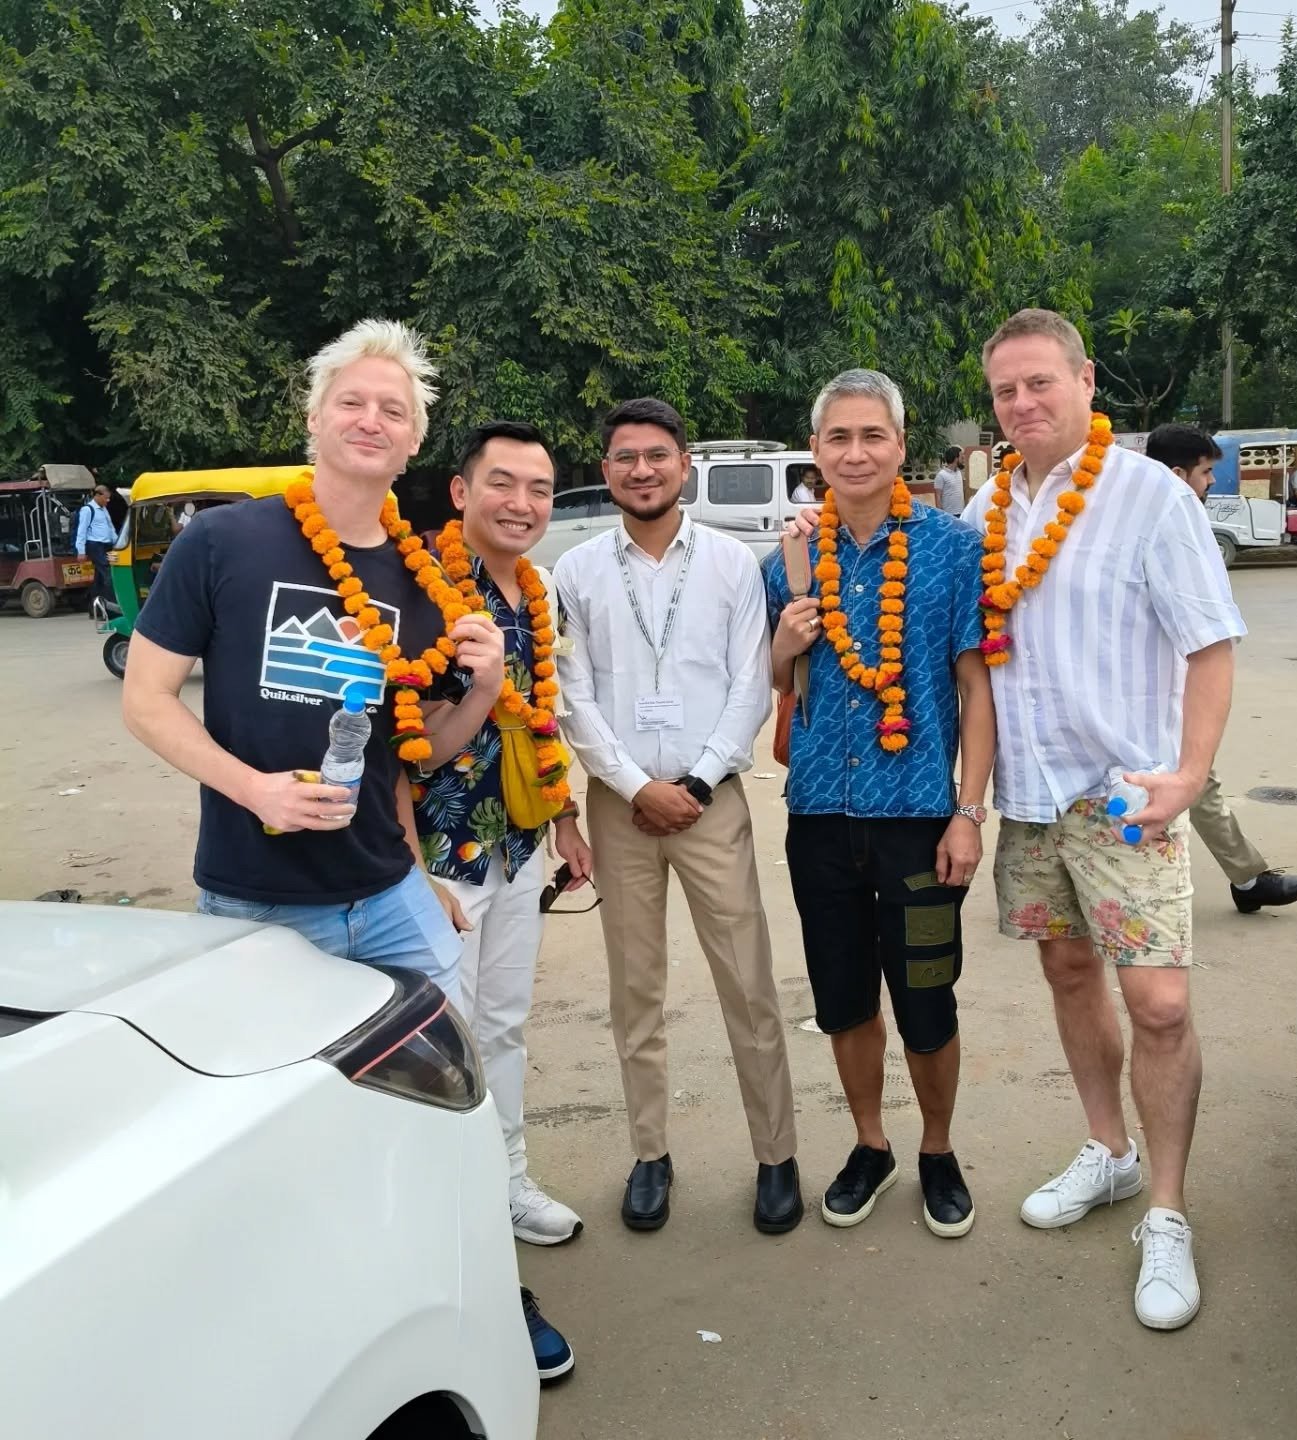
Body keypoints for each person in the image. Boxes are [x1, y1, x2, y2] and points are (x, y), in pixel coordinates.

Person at [121, 318, 573, 1380]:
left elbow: (427, 753)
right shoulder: (226, 543)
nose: (372, 421)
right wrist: (251, 786)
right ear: (315, 416)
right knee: (271, 1120)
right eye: (353, 402)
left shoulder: (422, 578)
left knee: (448, 1104)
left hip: (388, 890)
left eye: (396, 410)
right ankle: (299, 1318)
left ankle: (479, 1288)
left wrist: (491, 680)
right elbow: (146, 702)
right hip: (254, 895)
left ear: (415, 444)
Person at [962, 309, 1247, 1331]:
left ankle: (1167, 1211)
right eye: (1006, 390)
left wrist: (1189, 772)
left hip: (1125, 793)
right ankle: (1110, 1153)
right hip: (1030, 798)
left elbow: (1210, 644)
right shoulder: (987, 507)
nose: (1025, 403)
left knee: (1161, 1003)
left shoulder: (1148, 499)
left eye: (1042, 382)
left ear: (1086, 380)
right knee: (1067, 970)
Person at [554, 397, 800, 1236]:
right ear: (606, 469)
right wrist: (631, 786)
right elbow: (570, 696)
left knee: (749, 985)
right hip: (622, 810)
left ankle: (776, 1156)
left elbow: (750, 682)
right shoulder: (578, 572)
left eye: (657, 455)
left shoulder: (734, 563)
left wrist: (693, 784)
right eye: (625, 457)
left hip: (711, 806)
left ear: (684, 465)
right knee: (636, 991)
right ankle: (650, 1153)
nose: (642, 470)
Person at [767, 369, 995, 1238]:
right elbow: (776, 691)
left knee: (928, 999)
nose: (855, 453)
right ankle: (871, 1142)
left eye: (872, 437)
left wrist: (967, 814)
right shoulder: (788, 556)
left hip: (919, 823)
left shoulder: (950, 549)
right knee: (845, 998)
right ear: (816, 450)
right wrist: (784, 645)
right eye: (838, 438)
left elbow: (976, 691)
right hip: (819, 818)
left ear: (901, 445)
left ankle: (938, 1148)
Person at [407, 420, 590, 1248]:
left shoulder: (537, 592)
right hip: (444, 854)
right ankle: (451, 1203)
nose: (522, 504)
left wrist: (566, 816)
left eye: (539, 489)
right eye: (503, 483)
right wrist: (415, 868)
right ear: (460, 492)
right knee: (444, 1035)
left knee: (505, 1022)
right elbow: (396, 744)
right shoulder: (423, 591)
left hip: (516, 843)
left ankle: (508, 1178)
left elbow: (540, 717)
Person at [1145, 424, 1297, 914]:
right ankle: (1247, 879)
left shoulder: (1175, 516)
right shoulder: (1160, 519)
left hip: (1177, 683)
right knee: (1193, 781)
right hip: (1156, 687)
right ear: (1178, 474)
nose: (1209, 483)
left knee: (1195, 780)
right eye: (1205, 473)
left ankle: (1247, 877)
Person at [74, 483, 118, 604]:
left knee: (99, 577)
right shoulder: (87, 510)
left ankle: (95, 605)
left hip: (106, 545)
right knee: (107, 573)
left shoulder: (104, 509)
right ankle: (112, 605)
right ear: (97, 495)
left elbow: (110, 528)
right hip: (95, 545)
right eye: (106, 498)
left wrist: (117, 542)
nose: (108, 500)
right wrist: (81, 551)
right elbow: (81, 531)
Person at [932, 445, 965, 516]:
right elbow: (938, 497)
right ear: (956, 458)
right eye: (961, 456)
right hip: (949, 514)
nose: (963, 459)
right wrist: (941, 515)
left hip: (961, 513)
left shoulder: (959, 473)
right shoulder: (941, 475)